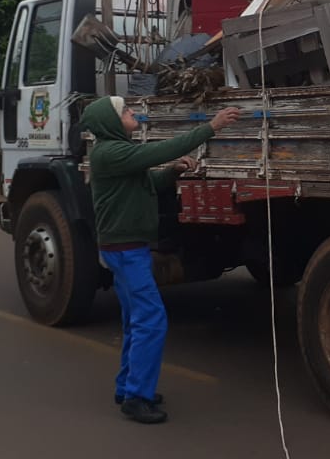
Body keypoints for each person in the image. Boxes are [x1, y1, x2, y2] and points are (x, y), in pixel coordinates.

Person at [79, 95, 242, 424]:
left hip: (122, 248)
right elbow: (158, 151)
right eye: (125, 111)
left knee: (135, 320)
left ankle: (128, 386)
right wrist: (211, 127)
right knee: (152, 320)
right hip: (126, 251)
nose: (132, 113)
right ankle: (137, 397)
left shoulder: (115, 153)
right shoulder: (111, 152)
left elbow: (146, 182)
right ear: (111, 123)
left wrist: (172, 172)